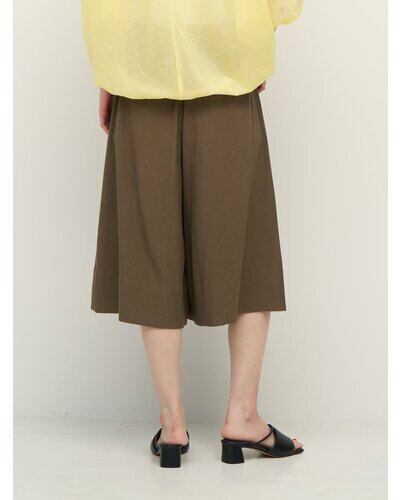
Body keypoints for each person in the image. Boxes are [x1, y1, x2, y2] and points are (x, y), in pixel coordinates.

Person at [82, 0, 304, 468]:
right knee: (245, 247)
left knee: (151, 247)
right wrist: (256, 39)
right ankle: (242, 417)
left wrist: (109, 70)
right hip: (225, 48)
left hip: (140, 58)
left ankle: (173, 426)